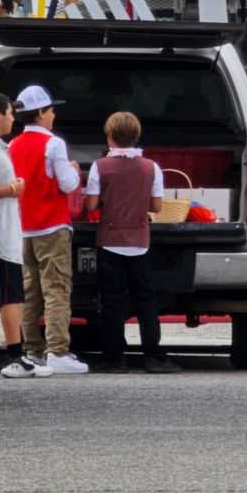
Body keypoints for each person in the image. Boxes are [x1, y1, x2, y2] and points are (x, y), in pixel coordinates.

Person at [9, 84, 88, 376]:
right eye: (51, 110)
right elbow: (67, 184)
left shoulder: (12, 145)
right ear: (40, 112)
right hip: (52, 227)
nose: (54, 115)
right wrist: (74, 170)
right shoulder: (54, 144)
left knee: (29, 292)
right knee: (56, 289)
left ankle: (32, 350)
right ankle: (57, 351)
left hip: (22, 229)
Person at [85, 110, 171, 372]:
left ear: (110, 137)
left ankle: (114, 357)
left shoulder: (100, 166)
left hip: (110, 240)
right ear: (136, 136)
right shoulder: (151, 167)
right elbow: (156, 206)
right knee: (145, 299)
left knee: (112, 300)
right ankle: (153, 355)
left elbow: (91, 204)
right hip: (140, 241)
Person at [0, 93, 31, 378]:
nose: (13, 118)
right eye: (9, 113)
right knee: (10, 297)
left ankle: (18, 355)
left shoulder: (0, 146)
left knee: (11, 296)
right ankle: (15, 356)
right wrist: (12, 189)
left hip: (5, 233)